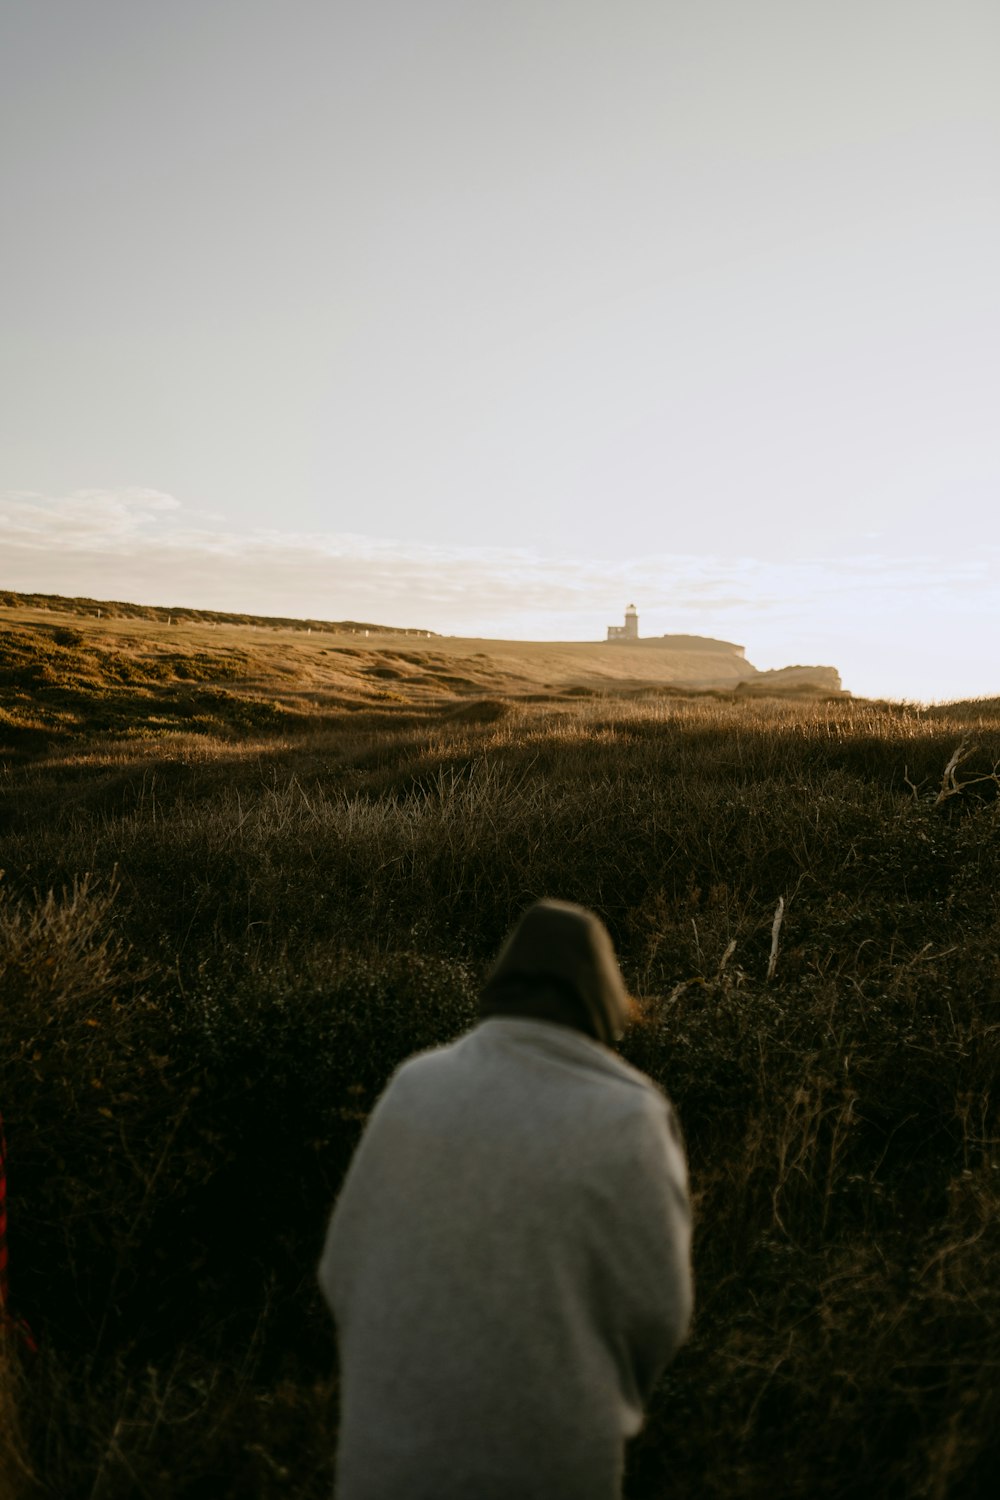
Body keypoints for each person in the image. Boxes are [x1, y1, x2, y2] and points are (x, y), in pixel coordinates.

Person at [318, 899, 693, 1500]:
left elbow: (341, 1271)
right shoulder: (632, 1116)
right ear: (603, 1002)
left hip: (384, 1465)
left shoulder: (414, 1083)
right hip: (546, 1468)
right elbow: (659, 1313)